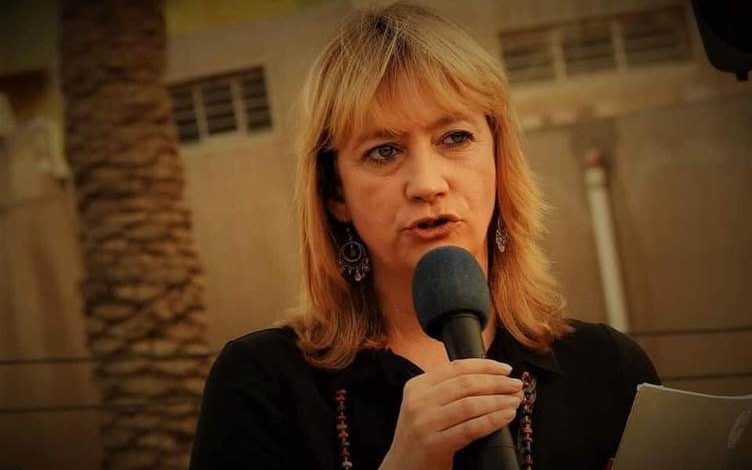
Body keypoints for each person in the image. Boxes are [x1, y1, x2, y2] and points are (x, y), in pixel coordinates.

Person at [189, 2, 660, 470]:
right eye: (384, 151)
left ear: (498, 159)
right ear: (335, 193)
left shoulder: (610, 369)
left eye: (455, 138)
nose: (427, 184)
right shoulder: (260, 382)